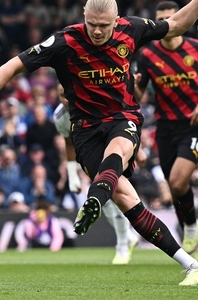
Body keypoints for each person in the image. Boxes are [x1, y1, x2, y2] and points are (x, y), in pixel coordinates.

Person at [0, 0, 198, 286]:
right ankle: (193, 266)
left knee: (119, 151)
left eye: (104, 26)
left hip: (123, 118)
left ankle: (94, 199)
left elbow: (179, 23)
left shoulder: (132, 29)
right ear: (84, 16)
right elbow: (13, 65)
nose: (97, 31)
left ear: (116, 20)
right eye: (92, 25)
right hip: (84, 129)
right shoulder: (64, 41)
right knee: (127, 201)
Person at [135, 0, 198, 260]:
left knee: (176, 180)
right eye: (161, 19)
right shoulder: (148, 55)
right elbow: (140, 95)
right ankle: (193, 236)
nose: (167, 23)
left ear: (182, 19)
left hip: (193, 126)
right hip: (165, 129)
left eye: (171, 18)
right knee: (176, 187)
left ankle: (191, 228)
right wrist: (136, 85)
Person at [53, 84, 138, 265]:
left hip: (115, 148)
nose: (66, 99)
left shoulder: (94, 101)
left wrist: (140, 148)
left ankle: (123, 244)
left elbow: (123, 119)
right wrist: (73, 175)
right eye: (61, 95)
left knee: (115, 194)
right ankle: (126, 238)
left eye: (67, 93)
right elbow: (68, 142)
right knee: (104, 199)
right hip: (94, 155)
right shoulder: (60, 116)